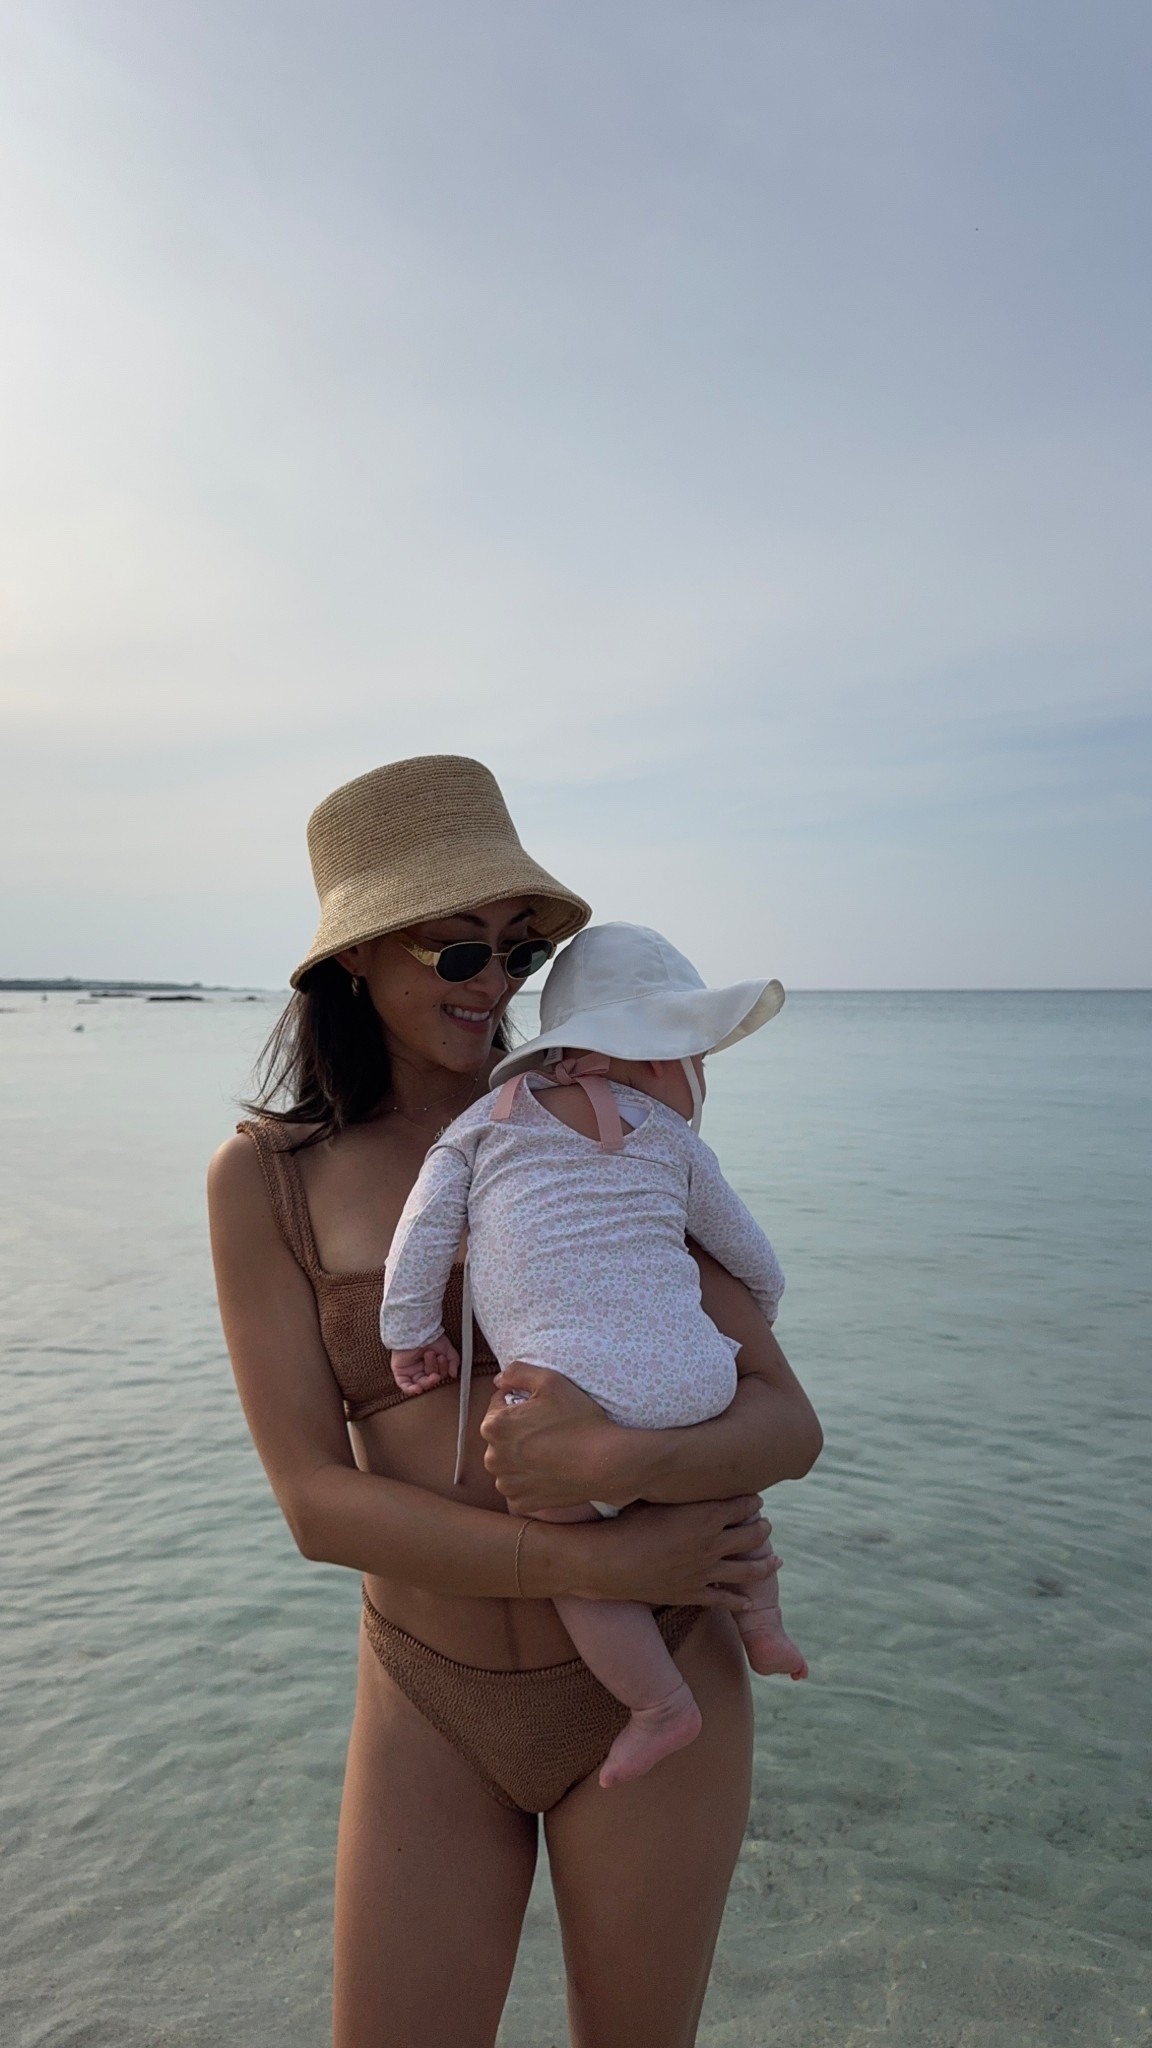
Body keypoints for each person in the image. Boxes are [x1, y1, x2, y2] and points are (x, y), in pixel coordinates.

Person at [208, 754, 823, 2048]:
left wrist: (626, 1468)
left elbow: (782, 1417)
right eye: (457, 956)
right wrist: (588, 1541)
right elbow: (318, 1506)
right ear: (359, 960)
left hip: (667, 1659)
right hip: (429, 1698)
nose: (493, 988)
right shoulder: (266, 1181)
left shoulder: (606, 1131)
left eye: (515, 956)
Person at [380, 922, 808, 1793]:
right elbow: (752, 1257)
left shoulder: (478, 1129)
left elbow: (420, 1236)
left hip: (567, 1394)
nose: (699, 1081)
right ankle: (761, 1620)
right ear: (655, 1060)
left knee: (561, 1528)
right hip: (694, 1379)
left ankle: (657, 1704)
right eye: (698, 1058)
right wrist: (737, 1328)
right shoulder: (671, 1137)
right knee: (728, 1487)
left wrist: (409, 1334)